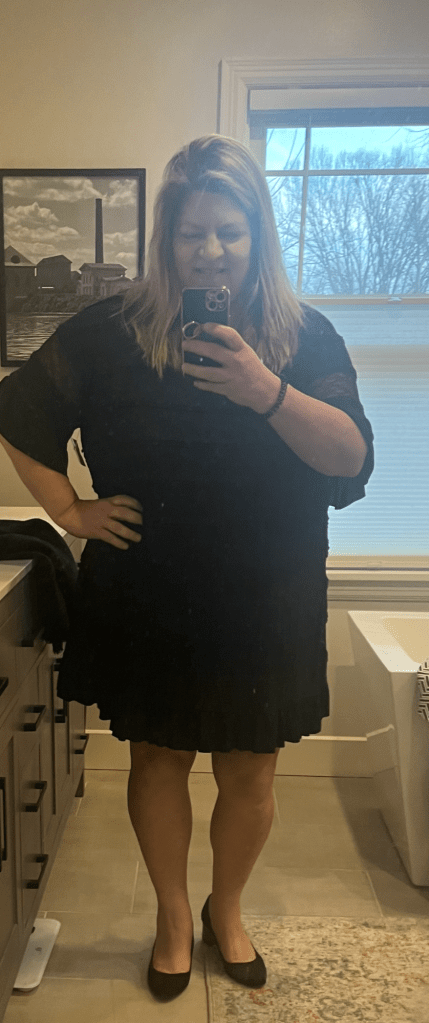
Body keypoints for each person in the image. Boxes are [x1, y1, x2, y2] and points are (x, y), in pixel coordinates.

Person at [0, 134, 374, 1000]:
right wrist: (69, 511)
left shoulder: (303, 335)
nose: (209, 250)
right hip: (151, 589)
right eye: (190, 232)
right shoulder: (111, 330)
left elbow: (350, 457)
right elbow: (18, 410)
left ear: (257, 235)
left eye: (228, 231)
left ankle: (225, 910)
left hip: (267, 594)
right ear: (165, 237)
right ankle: (173, 916)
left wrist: (264, 389)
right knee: (158, 757)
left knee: (250, 771)